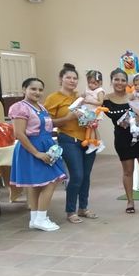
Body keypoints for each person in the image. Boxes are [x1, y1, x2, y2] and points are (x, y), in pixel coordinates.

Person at [9, 78, 67, 231]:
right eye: (33, 89)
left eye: (40, 89)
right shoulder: (20, 107)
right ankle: (41, 219)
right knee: (51, 182)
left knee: (37, 185)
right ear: (24, 89)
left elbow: (48, 126)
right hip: (31, 148)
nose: (37, 92)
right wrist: (37, 153)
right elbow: (19, 133)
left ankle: (35, 219)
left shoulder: (41, 107)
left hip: (45, 146)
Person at [45, 63, 99, 224]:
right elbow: (46, 122)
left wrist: (91, 119)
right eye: (68, 77)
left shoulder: (79, 97)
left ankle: (83, 208)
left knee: (86, 176)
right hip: (68, 139)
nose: (72, 80)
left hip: (87, 140)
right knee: (77, 176)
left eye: (75, 78)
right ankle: (70, 211)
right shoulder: (53, 98)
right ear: (61, 79)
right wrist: (66, 119)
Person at [103, 68, 139, 214]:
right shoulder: (106, 99)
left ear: (127, 82)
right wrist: (133, 113)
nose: (120, 82)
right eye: (116, 79)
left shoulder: (134, 96)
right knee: (128, 171)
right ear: (112, 81)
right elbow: (113, 116)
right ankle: (130, 202)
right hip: (123, 139)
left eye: (123, 80)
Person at [77, 70, 106, 154]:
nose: (90, 85)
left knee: (92, 127)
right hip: (88, 112)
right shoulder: (88, 89)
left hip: (95, 112)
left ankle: (93, 144)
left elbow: (100, 102)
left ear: (100, 83)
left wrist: (89, 102)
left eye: (93, 83)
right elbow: (83, 96)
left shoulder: (100, 91)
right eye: (89, 82)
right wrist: (81, 98)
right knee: (92, 128)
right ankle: (99, 143)